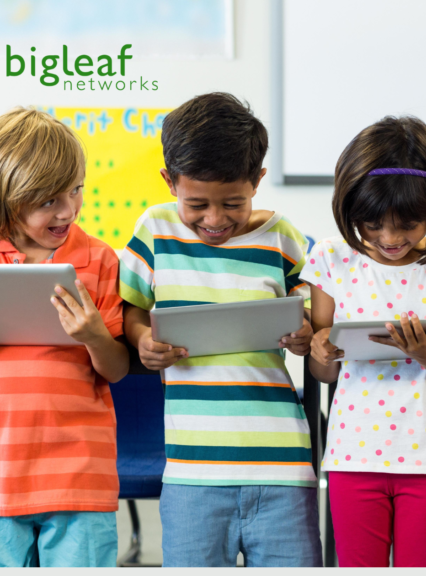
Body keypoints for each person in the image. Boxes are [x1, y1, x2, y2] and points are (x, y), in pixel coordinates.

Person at [118, 93, 321, 567]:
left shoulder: (282, 237)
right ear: (169, 182)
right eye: (197, 204)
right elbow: (131, 309)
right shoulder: (155, 231)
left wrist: (303, 332)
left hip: (282, 465)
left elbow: (309, 314)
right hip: (192, 469)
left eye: (233, 202)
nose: (214, 220)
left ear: (258, 182)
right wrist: (141, 340)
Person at [0, 108, 129, 567]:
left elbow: (117, 370)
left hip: (82, 476)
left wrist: (94, 337)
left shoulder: (100, 259)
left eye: (76, 190)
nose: (69, 210)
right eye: (47, 201)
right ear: (3, 198)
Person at [304, 116, 426, 567]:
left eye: (408, 225)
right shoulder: (332, 258)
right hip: (353, 454)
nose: (390, 239)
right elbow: (323, 371)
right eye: (372, 225)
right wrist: (321, 351)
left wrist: (424, 352)